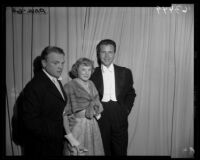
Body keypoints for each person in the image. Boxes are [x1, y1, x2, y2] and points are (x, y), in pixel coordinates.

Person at [90, 39, 136, 155]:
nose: (106, 56)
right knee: (102, 150)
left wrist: (126, 110)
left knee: (120, 150)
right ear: (98, 54)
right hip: (100, 115)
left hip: (119, 113)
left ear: (114, 53)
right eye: (103, 52)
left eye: (110, 52)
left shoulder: (125, 72)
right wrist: (95, 114)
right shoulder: (91, 73)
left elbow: (131, 93)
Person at [21, 46, 67, 156]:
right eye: (56, 63)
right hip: (43, 147)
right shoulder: (34, 86)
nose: (60, 67)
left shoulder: (55, 79)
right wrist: (59, 131)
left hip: (56, 143)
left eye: (62, 63)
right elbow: (30, 122)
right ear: (44, 63)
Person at [63, 57, 104, 156]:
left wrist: (96, 111)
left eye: (89, 70)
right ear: (77, 70)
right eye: (83, 69)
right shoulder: (70, 86)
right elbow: (64, 113)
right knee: (78, 152)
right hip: (78, 127)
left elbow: (96, 103)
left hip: (93, 125)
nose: (87, 73)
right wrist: (70, 136)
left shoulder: (91, 84)